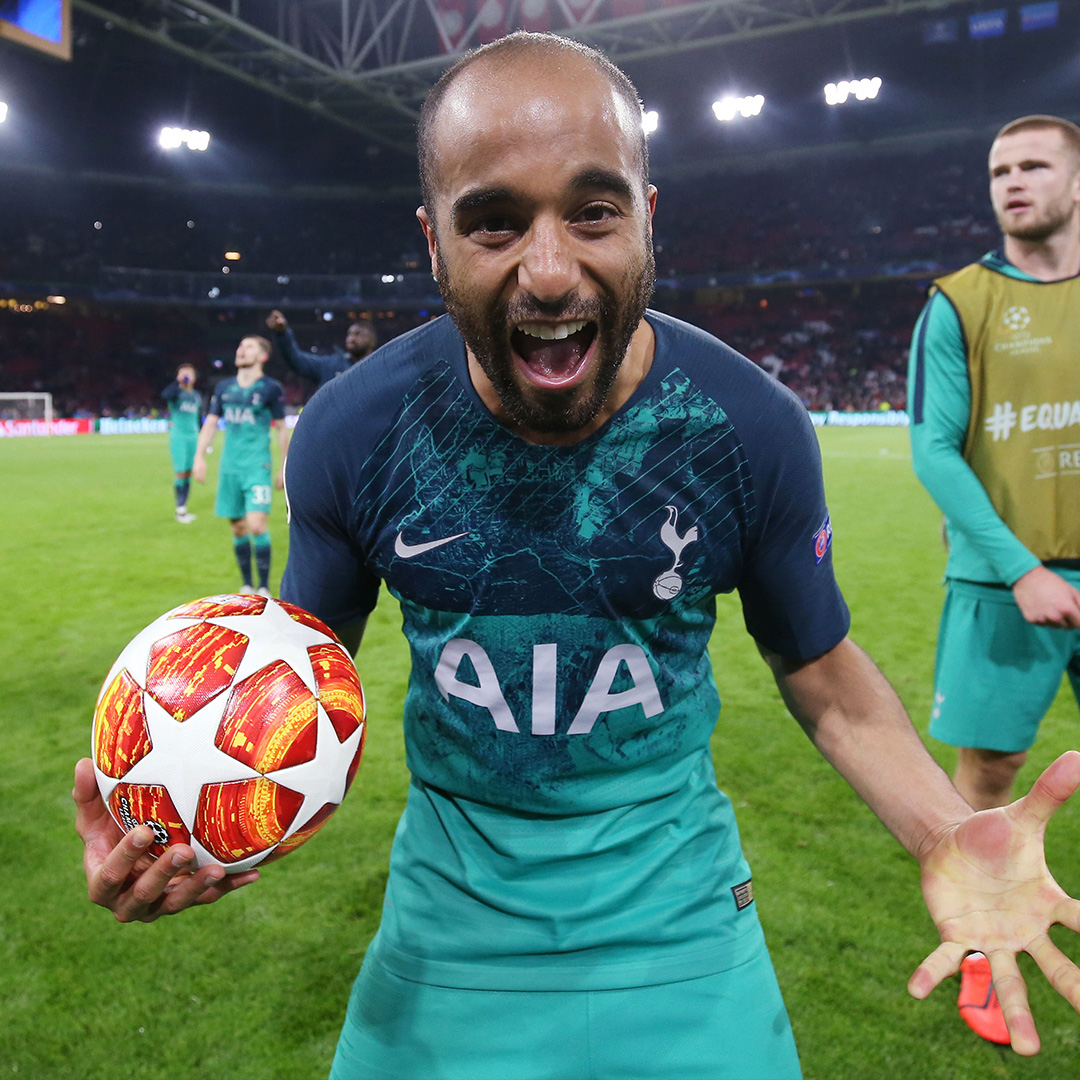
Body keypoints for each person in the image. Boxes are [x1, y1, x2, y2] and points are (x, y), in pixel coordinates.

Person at [75, 38, 1080, 1079]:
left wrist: (941, 833)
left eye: (594, 212)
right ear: (433, 242)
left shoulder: (746, 426)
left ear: (651, 217)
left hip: (688, 928)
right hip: (446, 934)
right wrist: (195, 829)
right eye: (495, 221)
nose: (549, 273)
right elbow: (290, 688)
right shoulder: (356, 431)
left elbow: (821, 673)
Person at [908, 113, 1080, 1045]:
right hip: (998, 585)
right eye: (999, 169)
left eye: (1034, 165)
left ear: (1077, 182)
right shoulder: (959, 302)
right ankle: (982, 949)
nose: (1013, 181)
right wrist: (1019, 568)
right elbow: (933, 451)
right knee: (989, 774)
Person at [191, 335, 289, 598]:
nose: (241, 350)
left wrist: (283, 466)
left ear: (262, 356)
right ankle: (247, 584)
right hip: (230, 467)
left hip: (257, 464)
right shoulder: (224, 387)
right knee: (238, 527)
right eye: (240, 346)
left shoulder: (271, 388)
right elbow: (211, 423)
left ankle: (265, 587)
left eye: (249, 347)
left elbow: (281, 428)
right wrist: (199, 457)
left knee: (257, 525)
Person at [265, 309, 377, 387]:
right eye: (349, 334)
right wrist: (282, 334)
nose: (350, 339)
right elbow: (296, 360)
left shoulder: (379, 368)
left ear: (372, 341)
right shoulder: (331, 365)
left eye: (358, 334)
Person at [160, 363, 203, 523]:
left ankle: (183, 507)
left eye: (188, 373)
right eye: (182, 373)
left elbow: (199, 417)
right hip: (179, 437)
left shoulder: (197, 395)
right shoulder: (176, 393)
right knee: (180, 472)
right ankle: (180, 509)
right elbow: (165, 395)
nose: (186, 376)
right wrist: (178, 382)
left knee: (188, 472)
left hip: (193, 437)